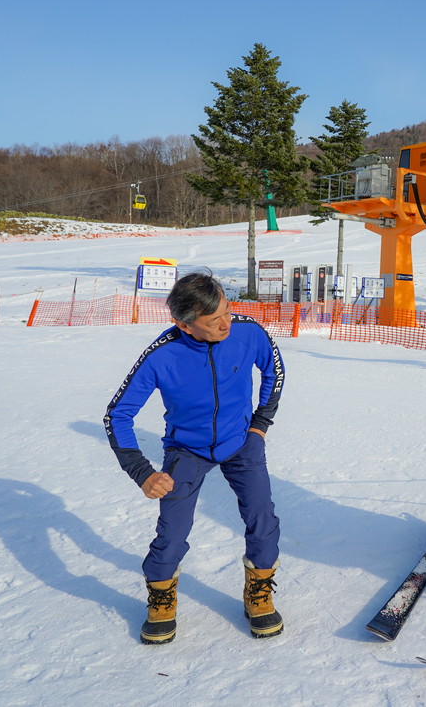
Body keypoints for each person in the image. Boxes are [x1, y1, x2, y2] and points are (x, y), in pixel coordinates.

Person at [103, 273, 286, 644]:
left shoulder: (248, 332)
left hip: (241, 443)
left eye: (227, 310)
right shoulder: (162, 355)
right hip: (186, 450)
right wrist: (142, 473)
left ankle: (259, 593)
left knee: (262, 517)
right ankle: (161, 599)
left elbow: (274, 371)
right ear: (183, 325)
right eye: (214, 320)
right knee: (172, 531)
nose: (226, 323)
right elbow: (117, 416)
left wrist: (260, 424)